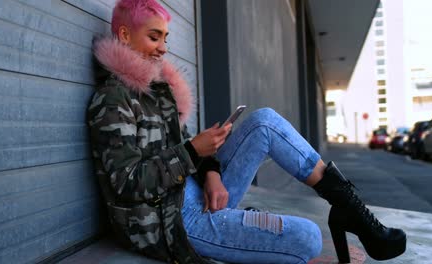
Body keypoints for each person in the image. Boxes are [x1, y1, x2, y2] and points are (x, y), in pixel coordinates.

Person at [87, 0, 406, 263]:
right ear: (125, 35)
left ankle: (351, 209)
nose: (162, 48)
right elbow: (125, 184)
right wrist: (193, 151)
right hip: (170, 225)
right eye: (154, 37)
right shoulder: (112, 100)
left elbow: (185, 153)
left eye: (165, 38)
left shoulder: (158, 91)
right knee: (308, 239)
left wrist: (210, 170)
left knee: (264, 122)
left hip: (194, 194)